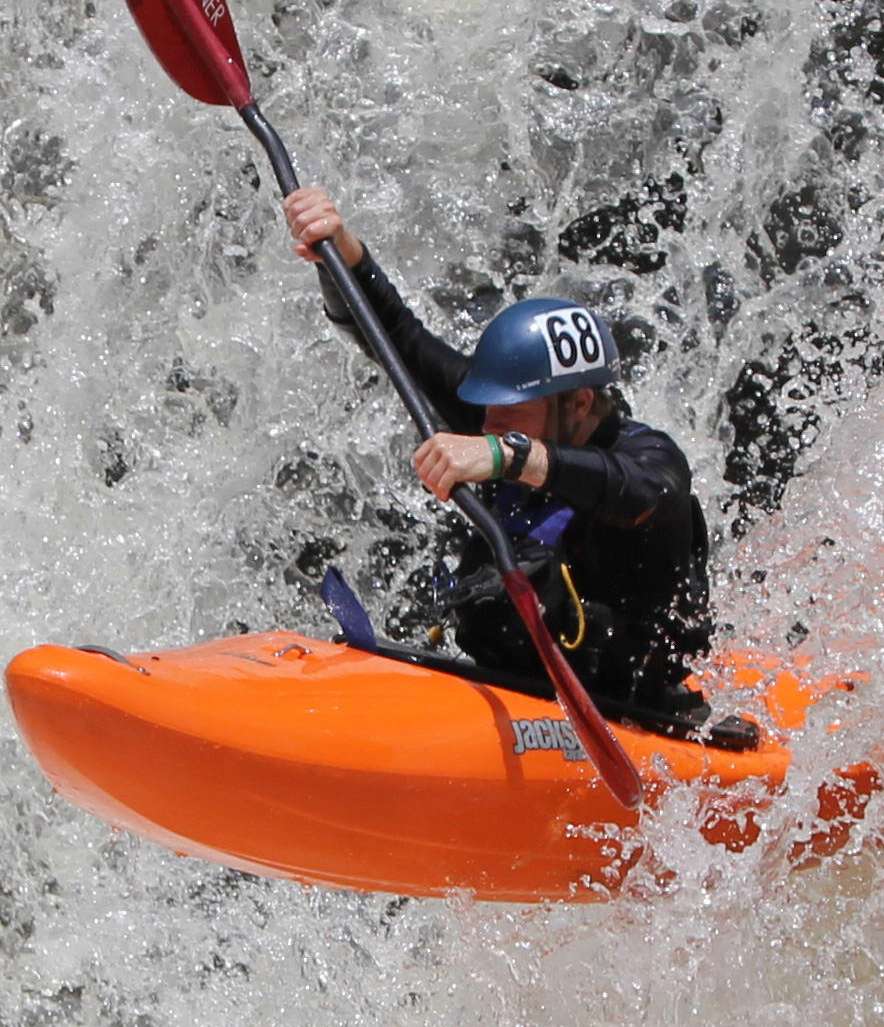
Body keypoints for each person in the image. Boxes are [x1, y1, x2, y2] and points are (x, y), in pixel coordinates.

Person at [283, 186, 712, 717]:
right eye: (488, 415)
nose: (486, 427)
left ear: (578, 404)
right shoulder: (515, 419)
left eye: (505, 418)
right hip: (511, 687)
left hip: (633, 711)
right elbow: (398, 339)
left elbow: (640, 492)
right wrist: (343, 257)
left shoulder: (650, 459)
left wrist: (507, 455)